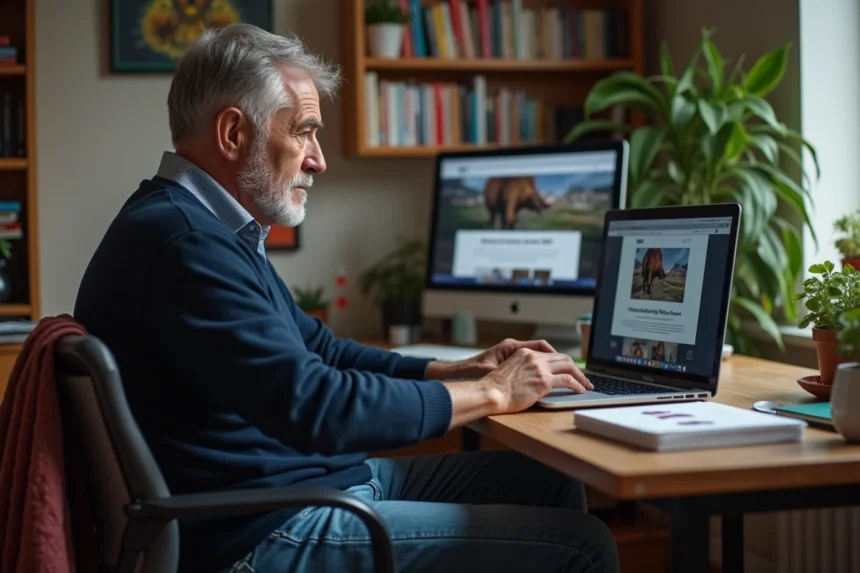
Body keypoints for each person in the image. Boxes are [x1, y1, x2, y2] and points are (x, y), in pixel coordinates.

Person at [73, 23, 618, 573]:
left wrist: (455, 370)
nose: (318, 159)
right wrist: (493, 393)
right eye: (304, 132)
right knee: (583, 546)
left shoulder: (206, 229)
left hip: (310, 487)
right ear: (233, 133)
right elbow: (319, 407)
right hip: (261, 528)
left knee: (549, 483)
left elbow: (323, 352)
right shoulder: (185, 244)